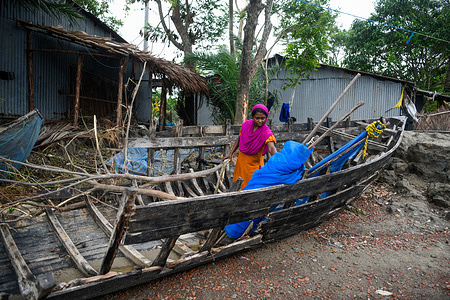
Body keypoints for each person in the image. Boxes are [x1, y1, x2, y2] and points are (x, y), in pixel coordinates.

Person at [223, 104, 277, 190]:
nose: (260, 121)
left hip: (254, 164)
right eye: (257, 118)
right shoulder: (246, 125)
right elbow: (239, 139)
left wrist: (279, 159)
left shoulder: (266, 131)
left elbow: (271, 148)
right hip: (242, 161)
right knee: (239, 186)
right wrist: (231, 153)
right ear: (252, 116)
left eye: (262, 118)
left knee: (253, 186)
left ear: (266, 118)